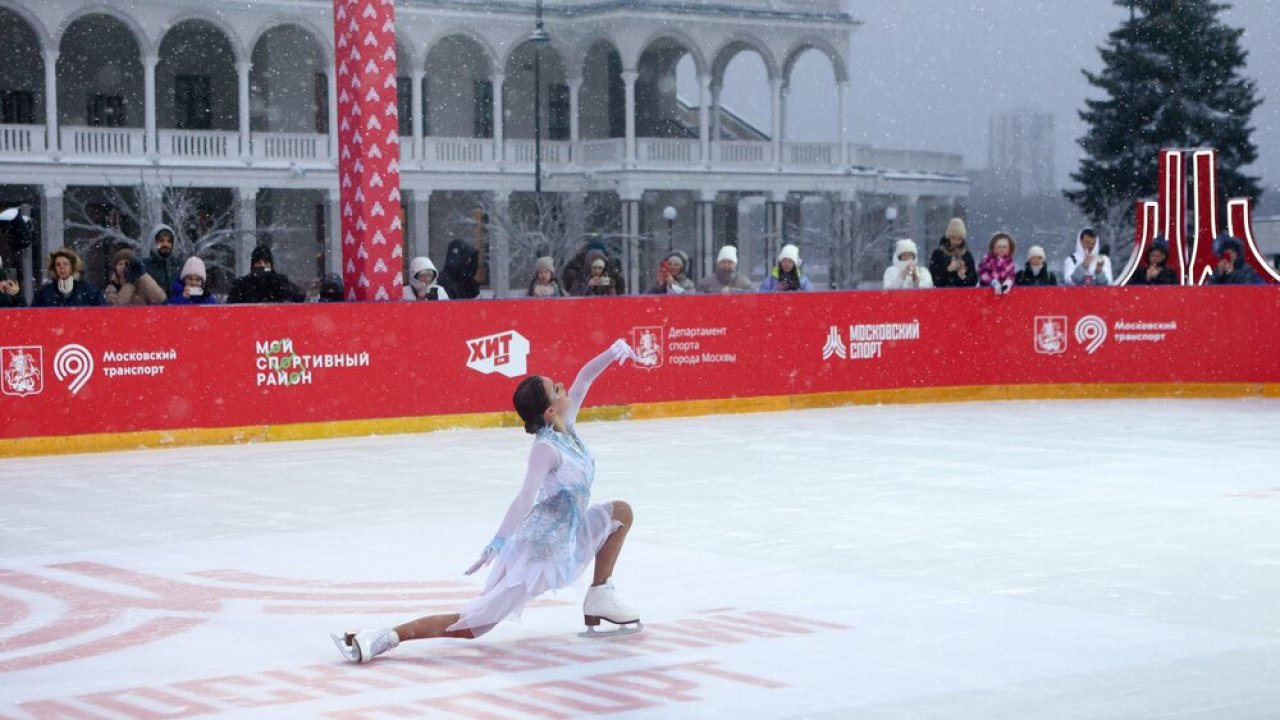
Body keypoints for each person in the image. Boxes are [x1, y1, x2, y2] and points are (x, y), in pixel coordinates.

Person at [332, 339, 642, 663]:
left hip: (569, 532)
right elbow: (524, 497)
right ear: (550, 410)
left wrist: (612, 352)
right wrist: (499, 540)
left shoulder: (568, 427)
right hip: (541, 550)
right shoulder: (545, 449)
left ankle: (599, 595)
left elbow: (584, 378)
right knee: (472, 625)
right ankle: (382, 637)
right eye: (556, 389)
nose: (564, 388)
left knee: (620, 513)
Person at [226, 244, 306, 304]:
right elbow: (231, 308)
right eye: (259, 263)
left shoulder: (280, 282)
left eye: (266, 262)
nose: (262, 266)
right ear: (253, 264)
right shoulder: (241, 285)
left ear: (271, 264)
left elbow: (299, 296)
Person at [33, 248, 106, 307]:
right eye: (58, 265)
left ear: (73, 266)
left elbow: (102, 314)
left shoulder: (90, 291)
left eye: (66, 264)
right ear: (54, 268)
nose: (62, 267)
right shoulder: (44, 293)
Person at [929, 218, 978, 288]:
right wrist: (947, 269)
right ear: (948, 237)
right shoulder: (938, 254)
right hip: (943, 296)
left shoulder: (967, 255)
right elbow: (935, 280)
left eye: (959, 239)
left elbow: (974, 281)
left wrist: (963, 276)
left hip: (962, 296)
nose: (956, 242)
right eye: (953, 238)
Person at [142, 225, 185, 298]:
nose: (166, 244)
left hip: (176, 308)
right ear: (155, 242)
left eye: (169, 241)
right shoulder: (144, 265)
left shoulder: (180, 265)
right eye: (161, 240)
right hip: (152, 308)